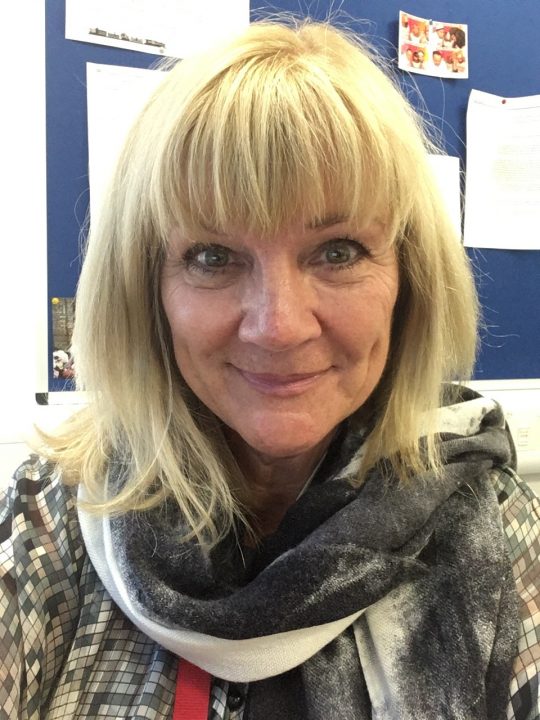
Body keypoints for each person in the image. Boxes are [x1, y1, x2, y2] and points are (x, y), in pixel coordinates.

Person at [1, 17, 539, 720]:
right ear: (145, 290)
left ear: (409, 282)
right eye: (212, 257)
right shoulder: (53, 516)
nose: (278, 326)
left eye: (338, 252)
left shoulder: (497, 527)